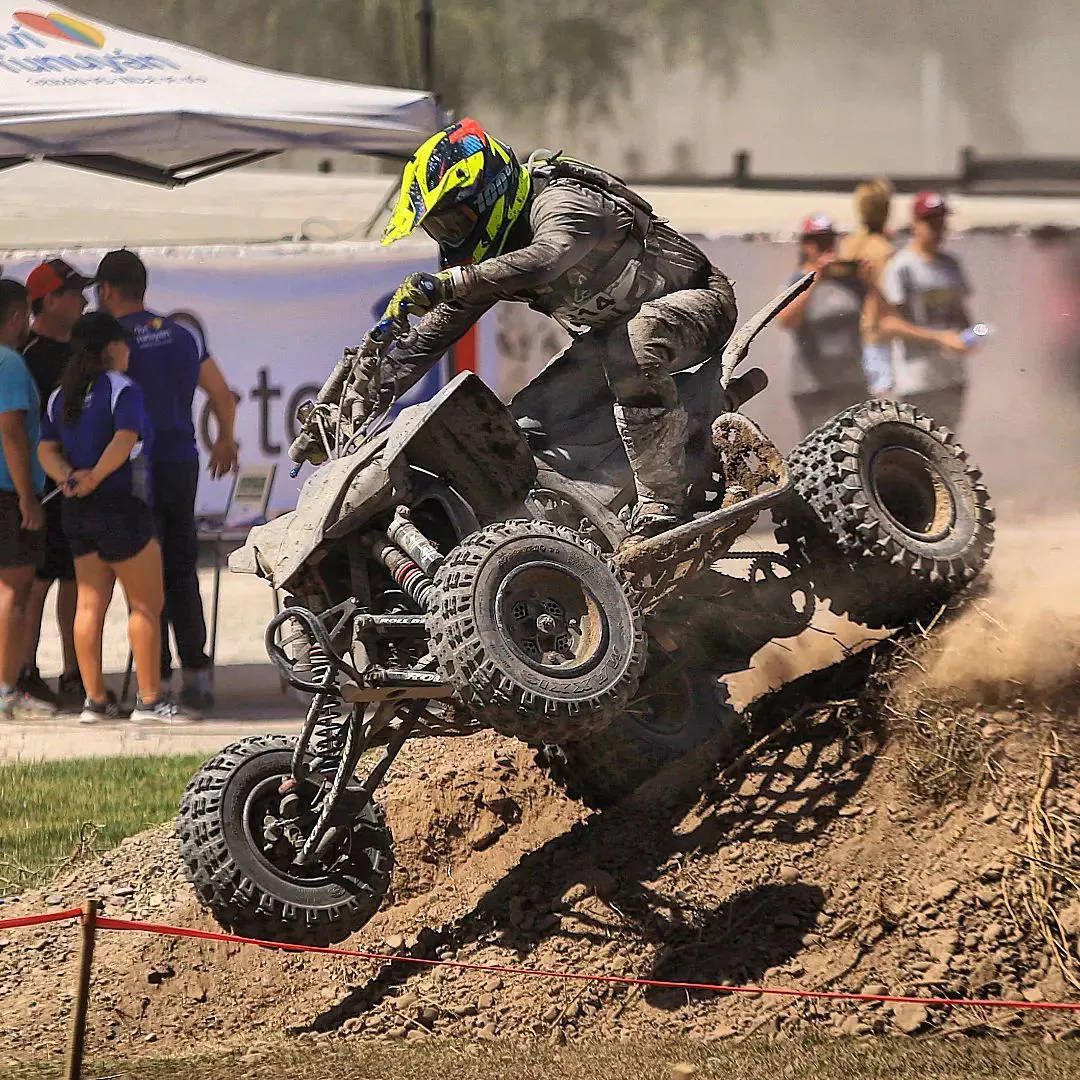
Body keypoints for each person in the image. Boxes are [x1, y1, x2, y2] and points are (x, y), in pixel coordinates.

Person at [365, 117, 738, 544]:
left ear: (491, 192)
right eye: (439, 229)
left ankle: (662, 503)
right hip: (611, 342)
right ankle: (550, 530)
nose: (450, 239)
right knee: (522, 423)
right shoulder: (494, 260)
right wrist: (357, 399)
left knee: (633, 342)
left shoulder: (561, 200)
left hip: (700, 305)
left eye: (454, 222)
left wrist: (453, 282)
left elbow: (549, 256)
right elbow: (426, 341)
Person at [95, 250, 239, 715]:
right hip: (181, 461)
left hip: (133, 467)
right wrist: (225, 440)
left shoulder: (109, 339)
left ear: (106, 291)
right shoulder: (180, 334)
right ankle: (197, 676)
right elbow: (222, 395)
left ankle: (153, 680)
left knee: (144, 575)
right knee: (181, 567)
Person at [37, 312, 191, 724]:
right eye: (124, 344)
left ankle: (95, 701)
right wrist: (95, 477)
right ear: (111, 347)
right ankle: (150, 700)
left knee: (89, 604)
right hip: (121, 507)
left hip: (77, 510)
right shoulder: (122, 388)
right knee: (146, 605)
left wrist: (69, 477)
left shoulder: (61, 395)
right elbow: (125, 439)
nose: (129, 351)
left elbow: (45, 449)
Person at [16, 258, 94, 710]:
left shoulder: (82, 350)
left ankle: (73, 672)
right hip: (40, 489)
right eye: (73, 293)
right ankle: (25, 671)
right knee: (36, 581)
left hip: (79, 485)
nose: (83, 300)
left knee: (74, 578)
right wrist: (30, 490)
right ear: (48, 301)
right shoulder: (26, 355)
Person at [0, 278, 53, 720]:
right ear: (17, 316)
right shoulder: (10, 363)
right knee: (14, 592)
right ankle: (5, 689)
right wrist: (26, 497)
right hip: (7, 492)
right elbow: (13, 431)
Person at [879, 192, 974, 432]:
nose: (937, 228)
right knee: (921, 445)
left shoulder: (951, 264)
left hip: (951, 377)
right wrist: (938, 337)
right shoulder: (902, 267)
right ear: (915, 224)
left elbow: (962, 316)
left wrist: (971, 336)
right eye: (930, 221)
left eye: (941, 221)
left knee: (949, 444)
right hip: (916, 380)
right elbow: (889, 324)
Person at [775, 214, 870, 435]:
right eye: (818, 241)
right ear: (805, 245)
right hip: (812, 385)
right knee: (820, 443)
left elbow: (881, 317)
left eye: (829, 240)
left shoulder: (849, 281)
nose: (825, 247)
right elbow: (786, 320)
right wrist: (815, 279)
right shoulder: (794, 282)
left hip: (851, 380)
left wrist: (870, 282)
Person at [838, 179, 895, 397]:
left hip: (848, 335)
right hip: (875, 334)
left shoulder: (847, 245)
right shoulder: (884, 250)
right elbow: (889, 297)